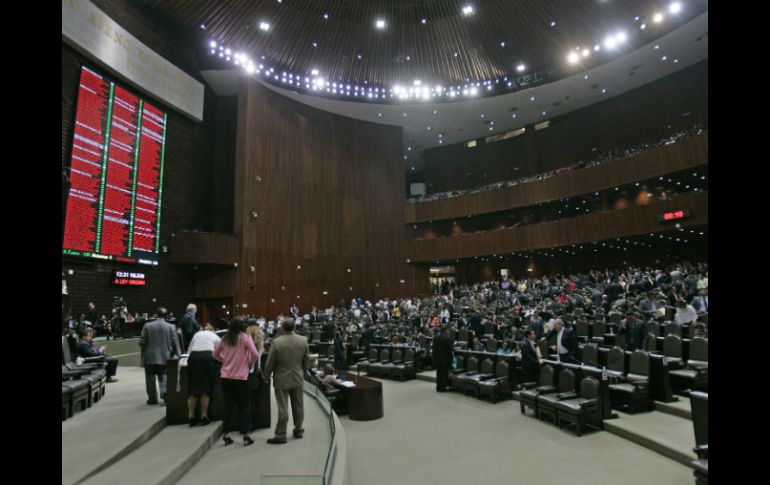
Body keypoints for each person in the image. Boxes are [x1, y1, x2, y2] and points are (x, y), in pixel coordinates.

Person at [264, 318, 310, 444]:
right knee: (298, 405)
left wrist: (266, 376)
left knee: (283, 408)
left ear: (283, 328)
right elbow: (306, 360)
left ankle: (281, 434)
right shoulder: (303, 340)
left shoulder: (277, 342)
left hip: (281, 378)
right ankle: (299, 429)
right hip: (297, 377)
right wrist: (304, 374)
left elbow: (270, 362)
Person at [214, 317, 259, 446]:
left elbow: (215, 355)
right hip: (242, 377)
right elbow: (255, 354)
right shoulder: (245, 338)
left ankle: (226, 434)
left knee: (228, 406)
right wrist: (248, 365)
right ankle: (247, 434)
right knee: (245, 406)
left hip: (226, 377)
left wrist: (225, 362)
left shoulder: (225, 338)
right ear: (242, 326)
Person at [139, 307, 179, 405]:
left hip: (150, 357)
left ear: (156, 314)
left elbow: (142, 342)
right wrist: (177, 354)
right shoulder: (171, 327)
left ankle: (152, 399)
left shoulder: (147, 326)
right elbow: (175, 343)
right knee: (164, 378)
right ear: (166, 316)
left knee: (150, 379)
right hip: (165, 357)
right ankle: (165, 397)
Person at [187, 323, 221, 426]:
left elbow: (189, 350)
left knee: (193, 388)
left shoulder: (197, 334)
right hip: (207, 357)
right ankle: (204, 415)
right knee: (206, 388)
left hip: (194, 357)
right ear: (212, 330)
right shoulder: (215, 336)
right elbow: (220, 351)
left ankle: (191, 415)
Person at [432, 326, 454, 392]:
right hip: (445, 360)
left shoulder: (435, 338)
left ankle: (438, 387)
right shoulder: (447, 339)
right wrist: (451, 359)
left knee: (438, 373)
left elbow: (434, 349)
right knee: (444, 374)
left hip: (437, 359)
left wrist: (434, 359)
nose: (448, 332)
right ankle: (443, 388)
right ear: (445, 331)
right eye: (448, 330)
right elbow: (449, 351)